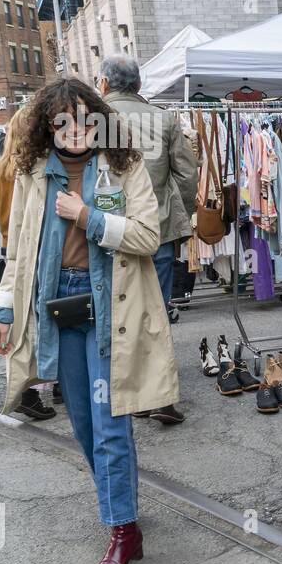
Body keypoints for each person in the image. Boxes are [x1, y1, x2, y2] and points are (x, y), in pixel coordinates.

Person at [0, 77, 179, 564]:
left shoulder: (123, 164)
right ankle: (125, 512)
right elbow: (22, 248)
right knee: (83, 425)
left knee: (111, 422)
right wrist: (4, 309)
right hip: (59, 307)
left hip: (110, 306)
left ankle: (121, 530)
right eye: (62, 122)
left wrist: (88, 216)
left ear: (100, 119)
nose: (75, 130)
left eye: (84, 119)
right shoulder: (34, 173)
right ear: (47, 128)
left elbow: (146, 236)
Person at [95, 54, 197, 424]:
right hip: (157, 228)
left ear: (104, 83)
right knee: (156, 308)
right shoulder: (164, 117)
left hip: (107, 230)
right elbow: (186, 174)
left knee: (111, 308)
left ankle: (121, 388)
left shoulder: (93, 117)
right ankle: (158, 394)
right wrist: (175, 214)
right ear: (139, 85)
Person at [0, 107, 56, 421]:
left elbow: (2, 218)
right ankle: (39, 389)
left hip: (13, 244)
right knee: (31, 321)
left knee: (25, 325)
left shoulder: (4, 168)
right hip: (26, 246)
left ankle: (33, 388)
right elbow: (16, 218)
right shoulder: (23, 170)